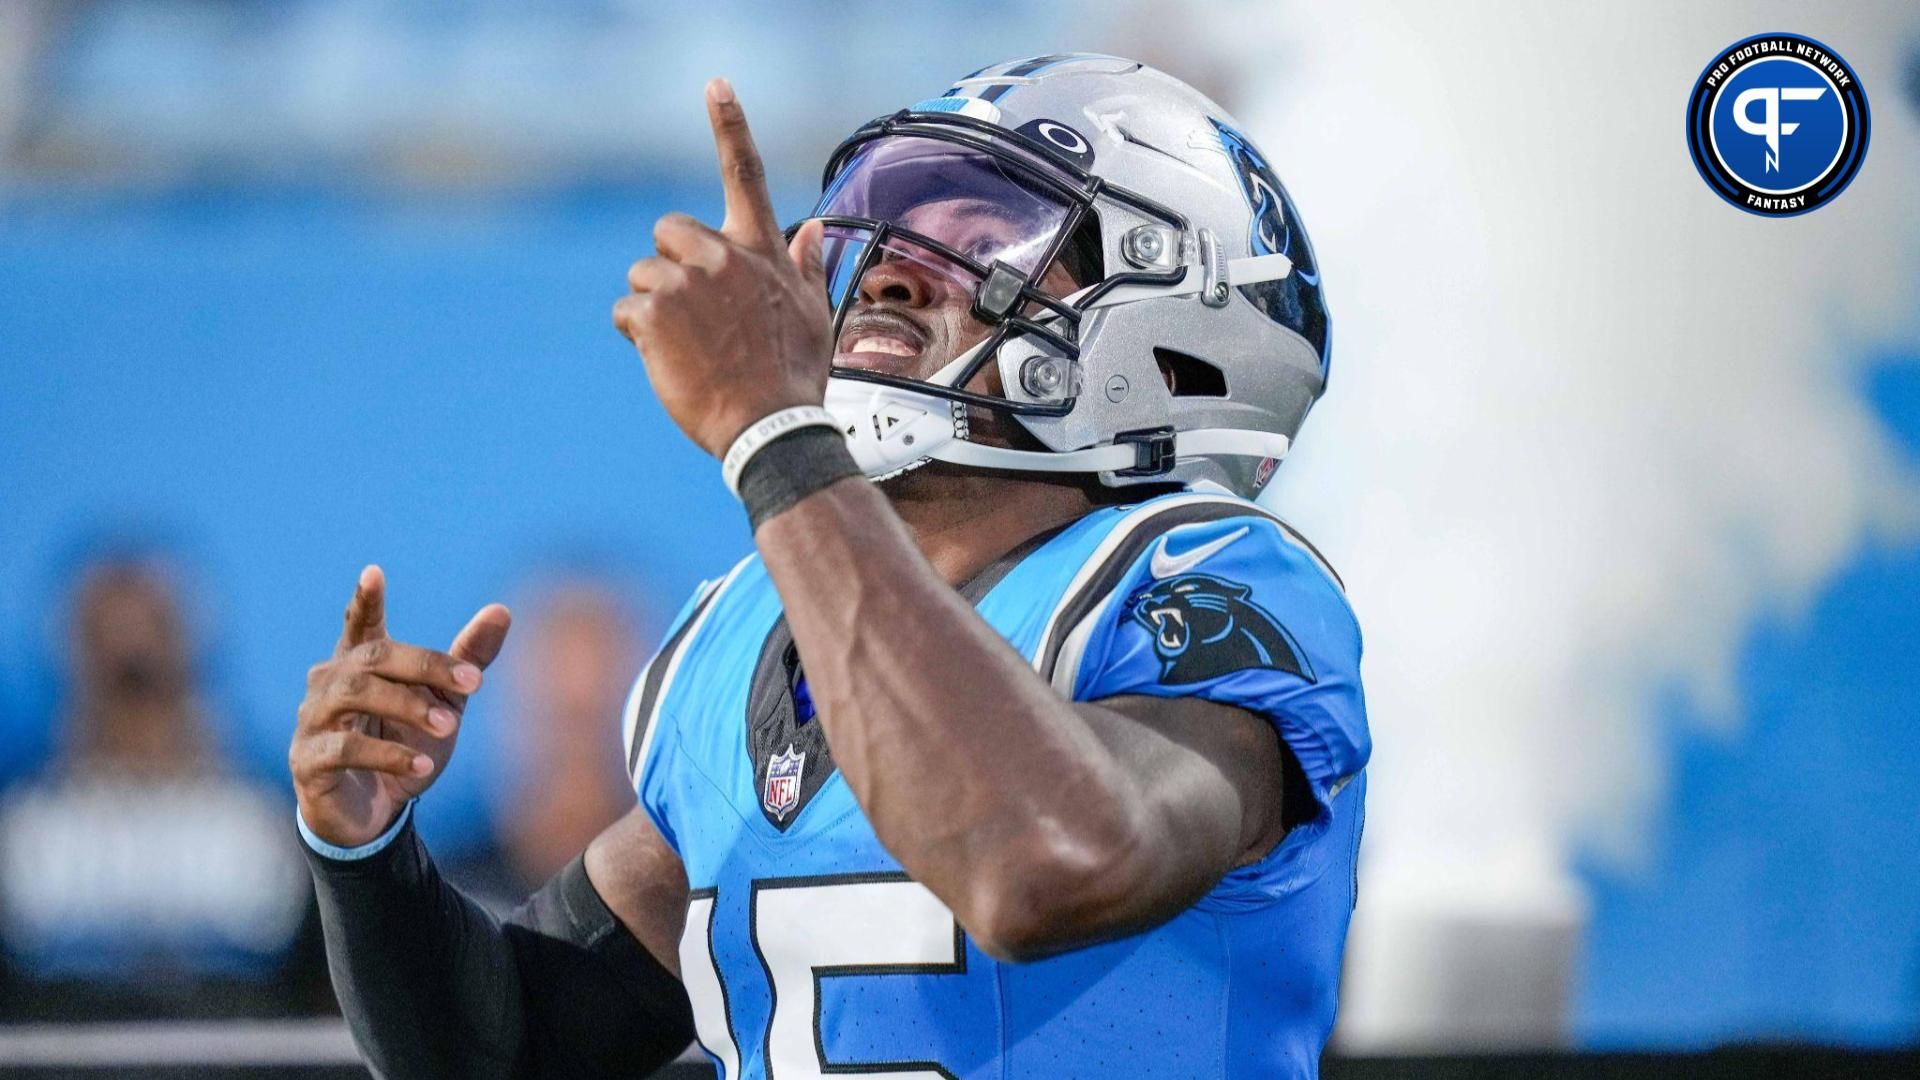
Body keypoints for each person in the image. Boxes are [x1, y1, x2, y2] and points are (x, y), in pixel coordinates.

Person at [290, 54, 1367, 1079]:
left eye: (983, 237)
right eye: (892, 230)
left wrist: (773, 436)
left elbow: (1041, 865)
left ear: (1166, 332)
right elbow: (515, 1051)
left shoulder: (1206, 579)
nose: (893, 271)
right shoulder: (754, 618)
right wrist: (368, 855)